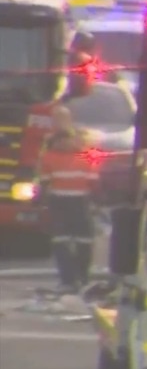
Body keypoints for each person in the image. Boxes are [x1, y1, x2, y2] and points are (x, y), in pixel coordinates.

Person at [38, 106, 99, 292]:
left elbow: (94, 183)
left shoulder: (83, 155)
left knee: (81, 241)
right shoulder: (50, 156)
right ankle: (72, 279)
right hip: (65, 203)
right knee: (63, 241)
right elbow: (45, 182)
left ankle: (78, 278)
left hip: (76, 202)